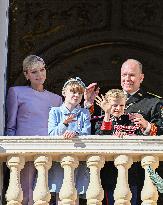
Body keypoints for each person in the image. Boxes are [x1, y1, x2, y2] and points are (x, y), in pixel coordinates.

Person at [86, 58, 163, 205]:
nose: (127, 79)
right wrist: (87, 104)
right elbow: (89, 128)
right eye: (124, 75)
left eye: (132, 75)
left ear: (141, 77)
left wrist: (147, 126)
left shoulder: (153, 103)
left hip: (141, 173)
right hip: (110, 171)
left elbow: (161, 130)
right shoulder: (106, 99)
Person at [5, 55, 62, 205]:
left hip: (49, 150)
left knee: (47, 194)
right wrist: (12, 151)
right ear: (26, 74)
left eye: (42, 70)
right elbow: (10, 125)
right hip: (24, 149)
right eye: (34, 71)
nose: (40, 75)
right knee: (25, 194)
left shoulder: (56, 99)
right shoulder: (16, 92)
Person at [48, 77, 91, 205]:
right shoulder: (55, 112)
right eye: (73, 91)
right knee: (61, 196)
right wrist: (64, 124)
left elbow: (87, 133)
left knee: (74, 196)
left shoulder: (84, 113)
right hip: (59, 160)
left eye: (79, 93)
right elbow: (51, 134)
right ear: (64, 92)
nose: (76, 95)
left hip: (78, 160)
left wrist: (76, 133)